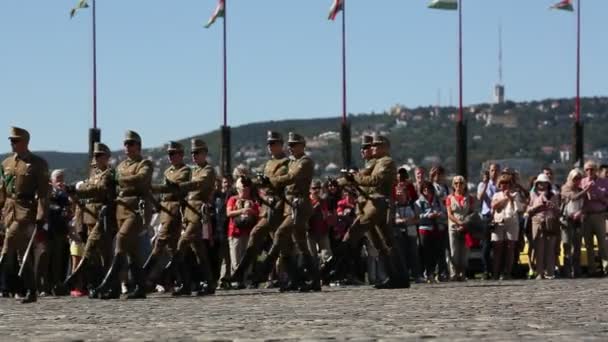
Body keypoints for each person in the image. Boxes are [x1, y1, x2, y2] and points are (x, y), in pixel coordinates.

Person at [91, 130, 153, 300]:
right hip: (121, 210)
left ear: (138, 146)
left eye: (131, 143)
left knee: (120, 240)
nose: (127, 147)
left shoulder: (144, 164)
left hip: (136, 210)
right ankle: (139, 287)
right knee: (132, 252)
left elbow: (141, 179)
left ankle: (107, 284)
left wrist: (119, 180)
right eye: (126, 144)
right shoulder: (120, 166)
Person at [342, 135, 410, 289]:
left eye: (376, 146)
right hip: (373, 203)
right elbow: (363, 177)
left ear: (385, 147)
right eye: (372, 146)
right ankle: (396, 277)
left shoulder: (386, 162)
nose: (373, 148)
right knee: (384, 243)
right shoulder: (377, 162)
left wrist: (355, 178)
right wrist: (342, 181)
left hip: (380, 203)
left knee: (361, 234)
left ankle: (399, 276)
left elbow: (374, 180)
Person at [255, 132, 318, 292]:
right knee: (300, 244)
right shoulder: (291, 162)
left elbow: (291, 177)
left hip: (300, 204)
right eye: (289, 145)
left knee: (280, 234)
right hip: (290, 206)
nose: (290, 148)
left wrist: (270, 181)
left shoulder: (305, 162)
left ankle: (265, 268)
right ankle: (307, 280)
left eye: (293, 145)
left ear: (302, 146)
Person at [229, 131, 290, 287]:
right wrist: (251, 182)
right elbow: (263, 182)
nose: (269, 146)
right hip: (267, 205)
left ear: (280, 145)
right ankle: (242, 271)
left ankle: (283, 275)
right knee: (258, 234)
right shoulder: (268, 163)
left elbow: (284, 182)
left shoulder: (287, 162)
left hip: (279, 204)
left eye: (273, 143)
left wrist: (267, 182)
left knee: (280, 242)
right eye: (268, 143)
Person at [0, 127, 50, 303]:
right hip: (9, 209)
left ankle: (10, 284)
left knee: (8, 242)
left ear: (25, 142)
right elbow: (3, 189)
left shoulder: (37, 163)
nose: (12, 144)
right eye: (11, 141)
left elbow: (44, 193)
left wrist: (41, 214)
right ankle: (31, 290)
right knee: (23, 253)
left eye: (15, 140)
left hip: (26, 210)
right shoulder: (6, 163)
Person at [63, 142, 116, 297]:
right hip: (90, 217)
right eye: (95, 155)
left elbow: (99, 189)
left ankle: (108, 286)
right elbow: (87, 188)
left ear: (107, 157)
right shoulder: (93, 175)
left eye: (100, 155)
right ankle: (98, 284)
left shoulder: (109, 174)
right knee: (96, 256)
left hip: (103, 217)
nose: (97, 158)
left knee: (102, 252)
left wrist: (78, 190)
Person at [171, 139, 217, 296]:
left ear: (204, 153)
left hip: (199, 212)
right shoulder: (193, 170)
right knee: (199, 251)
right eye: (192, 153)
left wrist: (180, 186)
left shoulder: (208, 170)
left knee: (182, 244)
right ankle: (206, 283)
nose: (194, 156)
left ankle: (178, 279)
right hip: (189, 212)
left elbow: (198, 184)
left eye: (196, 153)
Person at [143, 141, 191, 292]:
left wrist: (152, 187)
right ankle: (186, 282)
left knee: (159, 243)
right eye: (169, 154)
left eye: (173, 154)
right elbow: (164, 191)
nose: (170, 157)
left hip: (175, 209)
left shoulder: (185, 171)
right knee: (173, 249)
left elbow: (174, 187)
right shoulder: (167, 171)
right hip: (165, 210)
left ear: (181, 155)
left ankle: (144, 278)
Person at [225, 176, 259, 288]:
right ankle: (237, 280)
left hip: (249, 232)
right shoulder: (233, 199)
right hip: (235, 233)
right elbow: (229, 213)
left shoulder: (253, 200)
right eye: (241, 188)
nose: (243, 191)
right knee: (235, 258)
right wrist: (242, 210)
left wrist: (251, 211)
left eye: (245, 188)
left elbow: (258, 213)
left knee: (247, 257)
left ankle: (247, 279)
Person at [491, 173, 523, 280]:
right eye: (502, 183)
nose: (504, 185)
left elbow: (519, 208)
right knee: (497, 247)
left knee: (510, 248)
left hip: (512, 222)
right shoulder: (496, 195)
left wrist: (512, 198)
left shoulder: (516, 194)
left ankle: (507, 273)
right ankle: (496, 273)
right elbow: (494, 206)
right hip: (499, 222)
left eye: (507, 183)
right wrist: (505, 198)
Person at [527, 174, 560, 279]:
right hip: (537, 222)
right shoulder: (532, 194)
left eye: (544, 183)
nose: (542, 185)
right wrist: (538, 206)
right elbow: (528, 210)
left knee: (550, 249)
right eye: (540, 183)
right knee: (539, 249)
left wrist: (553, 206)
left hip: (550, 222)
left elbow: (558, 211)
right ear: (537, 184)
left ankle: (550, 272)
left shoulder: (553, 195)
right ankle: (539, 272)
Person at [580, 160, 608, 276]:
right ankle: (592, 269)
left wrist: (597, 194)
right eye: (587, 169)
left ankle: (606, 268)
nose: (589, 171)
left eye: (592, 169)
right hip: (586, 216)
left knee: (602, 243)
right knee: (588, 244)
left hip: (599, 214)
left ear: (596, 170)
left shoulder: (605, 182)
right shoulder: (582, 182)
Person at [416, 181, 446, 283]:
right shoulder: (419, 202)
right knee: (426, 253)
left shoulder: (437, 201)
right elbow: (417, 216)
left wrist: (438, 214)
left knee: (437, 252)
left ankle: (437, 273)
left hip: (436, 229)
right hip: (425, 230)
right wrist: (427, 215)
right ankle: (428, 273)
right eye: (424, 190)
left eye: (429, 189)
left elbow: (444, 212)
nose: (427, 191)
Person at [446, 175, 475, 281]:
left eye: (461, 183)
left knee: (464, 252)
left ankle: (462, 273)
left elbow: (472, 212)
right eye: (456, 183)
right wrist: (458, 222)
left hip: (466, 227)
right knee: (454, 251)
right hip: (454, 226)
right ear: (453, 185)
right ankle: (453, 273)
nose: (458, 185)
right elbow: (449, 214)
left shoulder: (470, 198)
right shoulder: (449, 198)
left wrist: (465, 223)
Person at [560, 168, 585, 278]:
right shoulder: (565, 188)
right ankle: (567, 271)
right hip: (566, 219)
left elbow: (584, 204)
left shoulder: (581, 189)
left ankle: (576, 270)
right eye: (575, 178)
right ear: (571, 178)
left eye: (579, 178)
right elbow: (574, 197)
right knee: (567, 245)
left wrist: (580, 212)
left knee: (577, 246)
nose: (577, 180)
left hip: (578, 219)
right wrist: (587, 189)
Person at [477, 163, 500, 279]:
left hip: (500, 217)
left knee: (498, 245)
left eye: (496, 170)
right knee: (486, 246)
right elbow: (479, 197)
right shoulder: (483, 184)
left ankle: (498, 270)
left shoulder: (501, 186)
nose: (494, 173)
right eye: (492, 170)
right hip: (487, 216)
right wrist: (486, 184)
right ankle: (486, 270)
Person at [394, 186, 421, 282]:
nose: (399, 196)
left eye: (401, 194)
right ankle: (403, 275)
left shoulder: (413, 205)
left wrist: (409, 221)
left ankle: (416, 275)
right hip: (399, 232)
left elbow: (418, 219)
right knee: (401, 254)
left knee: (413, 253)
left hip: (411, 230)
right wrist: (402, 220)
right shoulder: (394, 206)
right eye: (398, 194)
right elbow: (393, 219)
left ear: (406, 194)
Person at [308, 180, 333, 267]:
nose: (317, 190)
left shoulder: (323, 201)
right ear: (310, 189)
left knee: (327, 255)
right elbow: (305, 216)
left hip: (323, 232)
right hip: (310, 233)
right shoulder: (307, 201)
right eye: (314, 188)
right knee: (312, 257)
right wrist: (315, 207)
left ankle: (325, 275)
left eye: (319, 188)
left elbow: (325, 216)